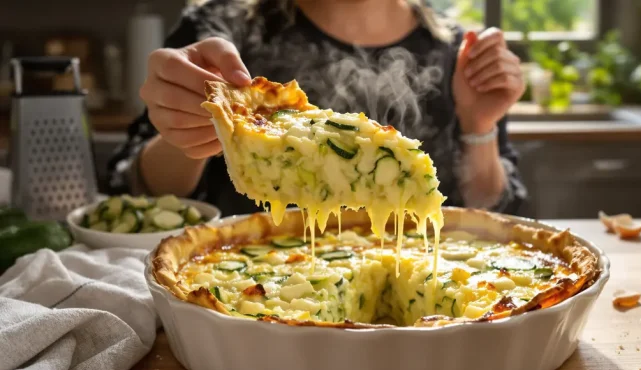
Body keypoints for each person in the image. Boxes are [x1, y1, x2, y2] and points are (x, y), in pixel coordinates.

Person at [108, 0, 528, 217]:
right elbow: (134, 193)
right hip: (250, 294)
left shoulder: (455, 48)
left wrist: (479, 126)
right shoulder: (225, 28)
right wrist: (187, 133)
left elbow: (491, 215)